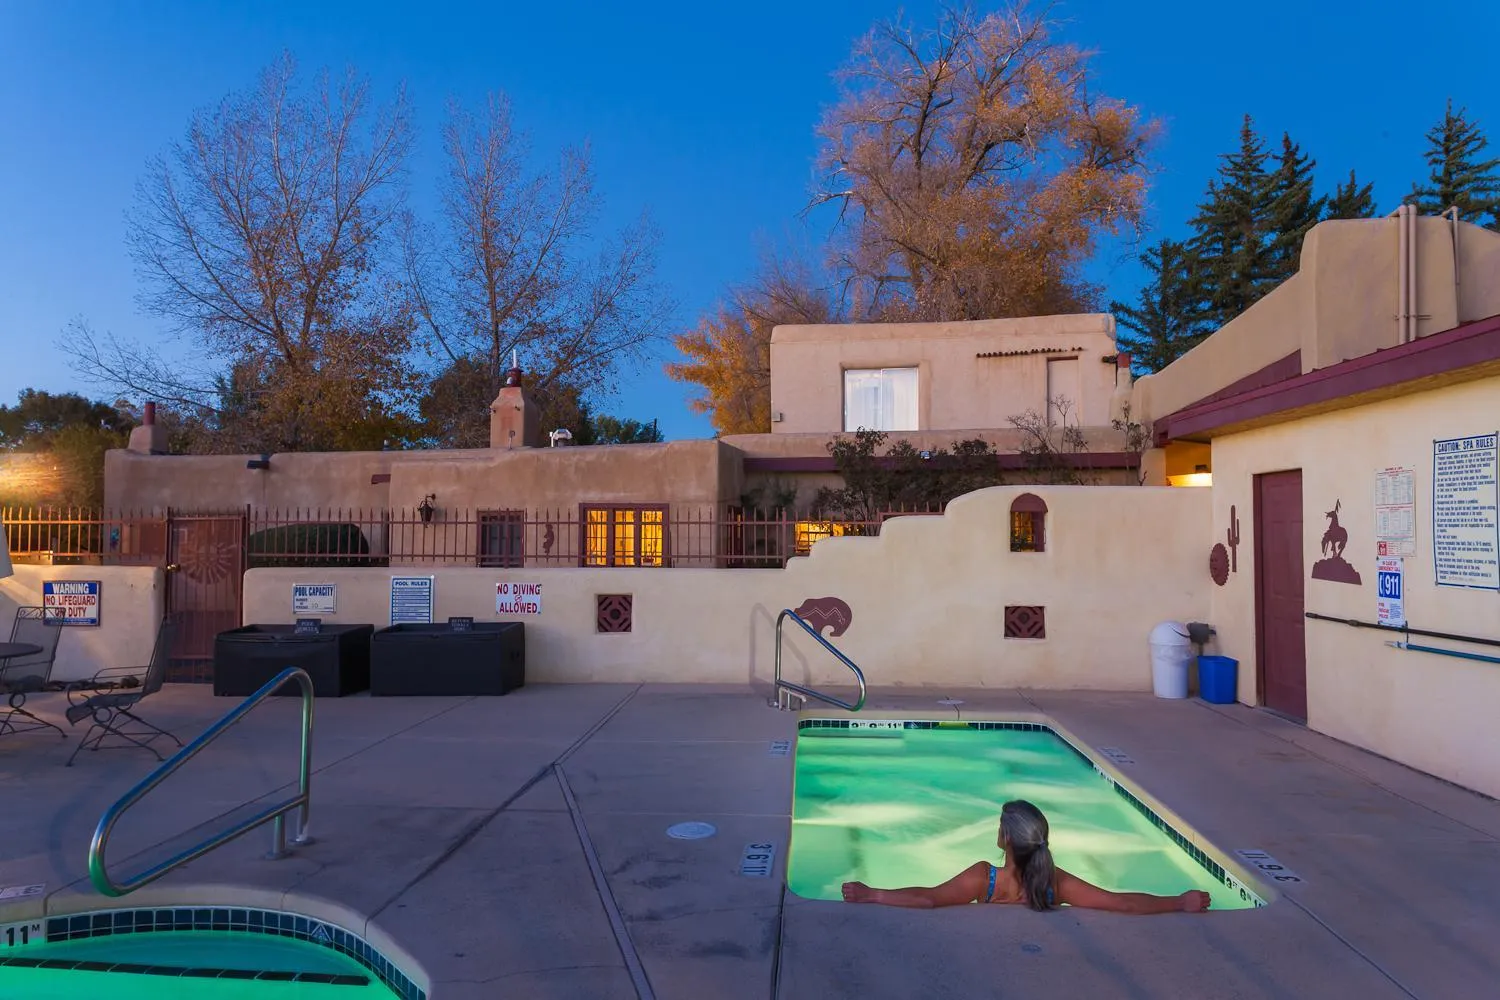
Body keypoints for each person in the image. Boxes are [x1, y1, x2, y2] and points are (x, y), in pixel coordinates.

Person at [841, 799, 1211, 914]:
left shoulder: (984, 879)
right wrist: (1179, 901)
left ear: (1003, 840)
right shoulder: (1055, 884)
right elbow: (1122, 904)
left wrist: (873, 893)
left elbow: (928, 898)